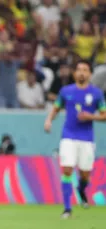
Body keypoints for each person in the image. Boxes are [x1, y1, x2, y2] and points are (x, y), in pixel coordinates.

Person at [44, 60, 106, 219]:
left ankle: (81, 189)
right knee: (67, 169)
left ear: (90, 74)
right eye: (79, 69)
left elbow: (104, 115)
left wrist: (90, 116)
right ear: (74, 73)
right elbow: (56, 107)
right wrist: (49, 120)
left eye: (85, 70)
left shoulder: (96, 93)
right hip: (68, 136)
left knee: (85, 174)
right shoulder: (66, 91)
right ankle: (67, 208)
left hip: (87, 138)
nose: (81, 73)